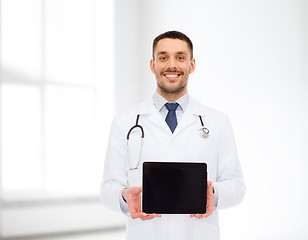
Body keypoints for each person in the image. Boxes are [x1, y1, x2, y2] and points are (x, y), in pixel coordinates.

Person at [100, 30, 245, 240]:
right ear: (153, 65)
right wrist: (124, 197)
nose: (172, 65)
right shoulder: (125, 122)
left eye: (180, 57)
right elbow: (107, 189)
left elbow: (237, 186)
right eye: (163, 57)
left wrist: (213, 195)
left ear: (191, 65)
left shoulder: (217, 121)